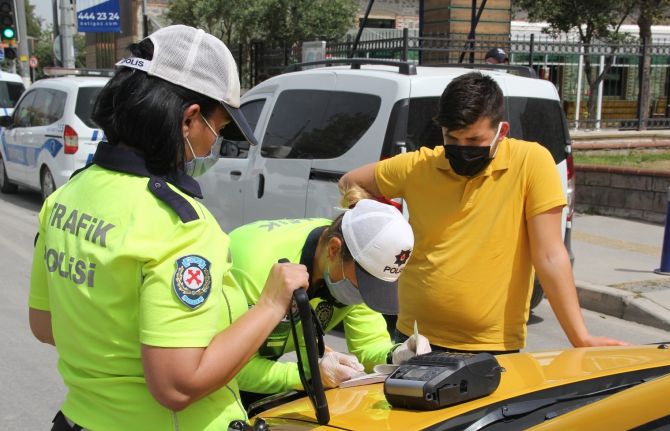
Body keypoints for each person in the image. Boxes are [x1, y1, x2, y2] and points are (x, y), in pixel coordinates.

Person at [28, 25, 308, 431]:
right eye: (219, 128)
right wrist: (270, 304)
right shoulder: (179, 225)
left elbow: (45, 324)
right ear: (190, 119)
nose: (214, 144)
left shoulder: (65, 197)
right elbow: (177, 386)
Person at [340, 72, 626, 354]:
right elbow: (351, 182)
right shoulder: (419, 166)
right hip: (416, 339)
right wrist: (382, 226)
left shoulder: (531, 163)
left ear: (501, 131)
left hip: (492, 345)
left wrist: (581, 337)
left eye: (474, 141)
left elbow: (550, 254)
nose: (462, 149)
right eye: (452, 139)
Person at [229, 188, 430, 408]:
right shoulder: (256, 266)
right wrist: (309, 375)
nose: (364, 295)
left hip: (263, 369)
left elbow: (367, 345)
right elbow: (223, 366)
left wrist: (396, 355)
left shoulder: (355, 260)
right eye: (363, 284)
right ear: (334, 249)